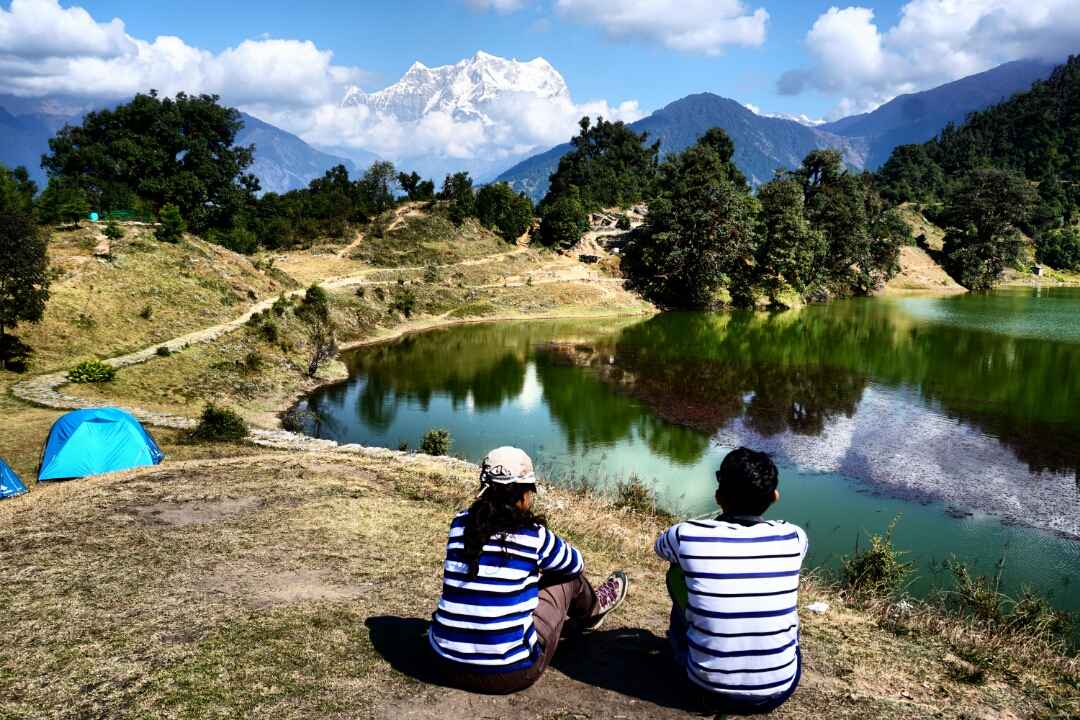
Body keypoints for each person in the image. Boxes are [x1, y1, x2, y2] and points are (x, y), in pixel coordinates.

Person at [429, 446, 629, 693]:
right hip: (510, 673)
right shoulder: (533, 536)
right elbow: (576, 563)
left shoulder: (459, 523)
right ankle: (594, 610)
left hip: (443, 662)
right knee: (569, 580)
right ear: (524, 495)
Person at [655, 447, 807, 715]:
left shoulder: (686, 535)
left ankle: (682, 642)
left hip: (704, 689)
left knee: (677, 571)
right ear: (775, 496)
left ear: (718, 496)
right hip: (778, 691)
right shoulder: (794, 537)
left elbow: (660, 549)